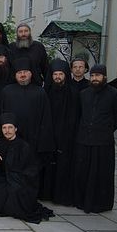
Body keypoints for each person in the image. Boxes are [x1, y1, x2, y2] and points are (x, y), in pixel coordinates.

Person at [0, 58, 55, 199]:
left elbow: (46, 118)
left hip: (33, 140)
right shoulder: (7, 91)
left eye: (25, 72)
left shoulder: (40, 92)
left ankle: (30, 195)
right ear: (14, 74)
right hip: (10, 139)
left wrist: (43, 141)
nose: (22, 75)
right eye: (19, 72)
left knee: (30, 169)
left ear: (31, 74)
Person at [0, 113, 54, 223]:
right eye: (4, 128)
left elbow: (32, 169)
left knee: (15, 192)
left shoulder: (24, 146)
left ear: (15, 129)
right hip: (3, 180)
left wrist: (19, 178)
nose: (7, 131)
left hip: (22, 181)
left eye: (10, 127)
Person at [74, 64, 117, 213]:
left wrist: (104, 130)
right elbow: (80, 115)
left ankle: (101, 203)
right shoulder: (84, 94)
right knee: (84, 172)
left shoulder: (114, 94)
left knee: (101, 173)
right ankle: (82, 201)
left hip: (103, 142)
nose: (95, 78)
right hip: (84, 140)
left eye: (98, 76)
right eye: (93, 76)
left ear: (104, 77)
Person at [45, 59, 80, 205]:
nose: (58, 77)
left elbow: (76, 117)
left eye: (60, 74)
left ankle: (61, 196)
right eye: (55, 74)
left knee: (63, 167)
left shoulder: (74, 93)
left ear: (65, 75)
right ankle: (46, 194)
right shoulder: (46, 92)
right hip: (48, 135)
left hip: (66, 137)